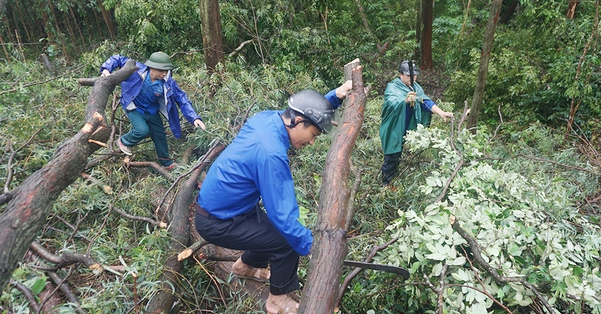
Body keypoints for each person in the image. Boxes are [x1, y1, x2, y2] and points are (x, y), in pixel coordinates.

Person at [195, 80, 353, 314]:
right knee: (286, 241)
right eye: (313, 135)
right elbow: (283, 215)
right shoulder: (271, 154)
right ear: (298, 122)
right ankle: (277, 301)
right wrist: (312, 246)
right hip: (218, 222)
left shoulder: (267, 119)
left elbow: (303, 110)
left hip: (232, 208)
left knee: (267, 228)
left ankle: (245, 266)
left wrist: (333, 97)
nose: (311, 142)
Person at [100, 52, 206, 169]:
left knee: (159, 134)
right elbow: (117, 58)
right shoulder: (138, 70)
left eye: (166, 70)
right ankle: (124, 141)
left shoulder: (168, 82)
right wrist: (106, 69)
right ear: (152, 67)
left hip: (151, 110)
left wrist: (194, 117)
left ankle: (166, 163)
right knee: (142, 130)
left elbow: (182, 99)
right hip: (133, 106)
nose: (164, 73)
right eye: (161, 70)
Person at [379, 60, 453, 185]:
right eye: (409, 76)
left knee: (399, 153)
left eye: (414, 75)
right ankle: (386, 184)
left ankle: (395, 178)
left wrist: (441, 113)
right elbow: (391, 103)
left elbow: (425, 102)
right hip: (394, 127)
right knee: (392, 154)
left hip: (407, 126)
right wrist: (406, 100)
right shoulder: (392, 87)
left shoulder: (416, 87)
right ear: (400, 75)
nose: (412, 78)